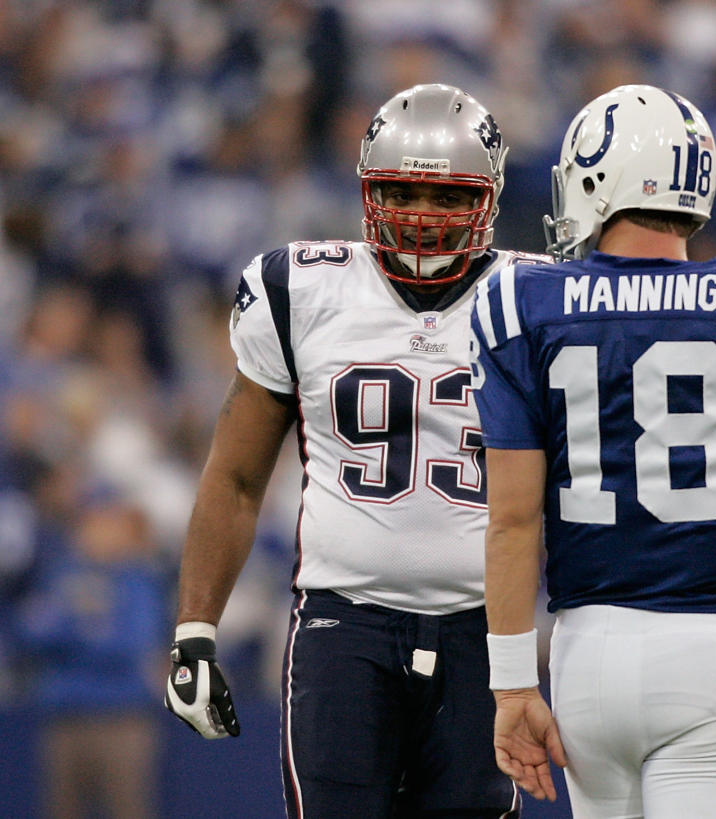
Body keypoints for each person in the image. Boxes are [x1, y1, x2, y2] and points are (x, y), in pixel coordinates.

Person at [470, 84, 716, 817]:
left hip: (585, 655)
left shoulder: (522, 304)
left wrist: (514, 683)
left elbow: (512, 520)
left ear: (600, 178)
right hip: (709, 654)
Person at [163, 83, 549, 818]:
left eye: (447, 197)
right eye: (402, 190)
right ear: (368, 188)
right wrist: (195, 631)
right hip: (346, 625)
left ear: (491, 198)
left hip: (486, 629)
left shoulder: (538, 299)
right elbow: (238, 477)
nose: (422, 215)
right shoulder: (302, 288)